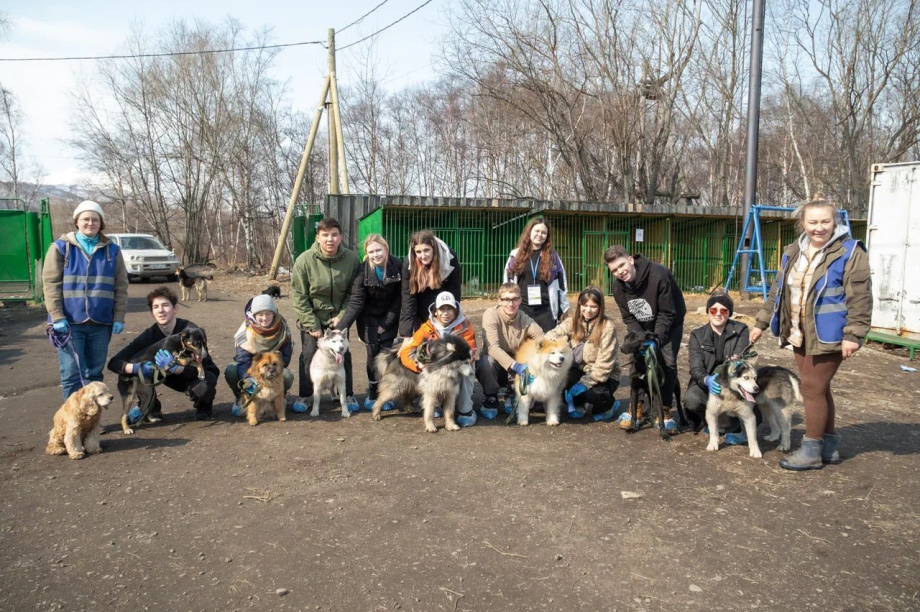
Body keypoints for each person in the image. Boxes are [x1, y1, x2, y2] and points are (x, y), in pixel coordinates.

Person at [751, 193, 872, 470]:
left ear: (835, 221)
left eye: (825, 221)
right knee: (820, 388)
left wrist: (853, 335)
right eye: (813, 222)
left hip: (830, 335)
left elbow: (860, 297)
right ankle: (828, 447)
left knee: (811, 389)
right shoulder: (793, 251)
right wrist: (760, 323)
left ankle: (812, 449)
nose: (819, 228)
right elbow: (777, 292)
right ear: (803, 223)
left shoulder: (850, 252)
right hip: (798, 333)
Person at [42, 200, 129, 400]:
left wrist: (119, 317)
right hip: (69, 323)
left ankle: (93, 420)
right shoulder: (61, 248)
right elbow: (50, 284)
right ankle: (74, 422)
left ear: (101, 223)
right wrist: (56, 316)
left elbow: (121, 287)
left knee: (94, 373)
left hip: (101, 323)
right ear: (77, 222)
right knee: (72, 374)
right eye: (85, 219)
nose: (90, 223)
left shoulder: (112, 251)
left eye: (95, 219)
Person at [604, 245, 686, 432]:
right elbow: (629, 318)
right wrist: (641, 339)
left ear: (631, 259)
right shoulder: (618, 288)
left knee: (668, 363)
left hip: (670, 324)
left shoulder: (658, 275)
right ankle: (637, 407)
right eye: (614, 270)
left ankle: (664, 410)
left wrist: (655, 340)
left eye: (621, 265)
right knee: (638, 362)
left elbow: (667, 313)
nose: (619, 272)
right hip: (642, 327)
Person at [107, 286, 218, 421]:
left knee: (205, 385)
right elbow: (114, 362)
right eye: (156, 307)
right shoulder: (149, 336)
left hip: (192, 375)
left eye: (165, 305)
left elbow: (206, 366)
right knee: (129, 371)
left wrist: (178, 368)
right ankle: (150, 407)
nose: (160, 310)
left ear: (175, 308)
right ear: (152, 312)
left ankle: (204, 407)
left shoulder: (192, 332)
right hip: (164, 374)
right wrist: (136, 368)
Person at [291, 217, 362, 414]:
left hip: (339, 317)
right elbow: (299, 296)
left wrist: (342, 317)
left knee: (342, 352)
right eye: (325, 235)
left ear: (340, 237)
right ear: (318, 237)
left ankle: (345, 394)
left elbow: (353, 293)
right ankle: (306, 395)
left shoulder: (351, 259)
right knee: (308, 354)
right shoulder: (304, 261)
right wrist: (312, 324)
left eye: (334, 235)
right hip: (313, 316)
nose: (329, 239)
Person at [337, 234, 403, 411]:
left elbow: (399, 300)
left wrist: (386, 324)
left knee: (387, 356)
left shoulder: (398, 266)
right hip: (368, 319)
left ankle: (386, 392)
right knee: (372, 356)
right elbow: (356, 302)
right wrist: (341, 327)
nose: (375, 255)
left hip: (389, 316)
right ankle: (373, 392)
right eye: (371, 251)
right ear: (367, 253)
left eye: (378, 250)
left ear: (386, 249)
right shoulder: (362, 271)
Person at [398, 291, 478, 427]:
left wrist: (459, 363)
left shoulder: (465, 327)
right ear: (435, 312)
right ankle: (433, 407)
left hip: (456, 368)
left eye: (449, 309)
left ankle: (465, 410)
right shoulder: (426, 328)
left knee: (467, 371)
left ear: (456, 310)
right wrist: (418, 364)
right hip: (432, 372)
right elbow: (406, 352)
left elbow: (471, 352)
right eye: (442, 309)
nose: (445, 313)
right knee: (426, 375)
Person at [545, 286, 621, 420]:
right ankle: (579, 405)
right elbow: (552, 334)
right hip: (579, 369)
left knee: (593, 394)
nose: (588, 310)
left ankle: (609, 406)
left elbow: (604, 364)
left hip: (603, 375)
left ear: (600, 307)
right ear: (579, 305)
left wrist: (585, 383)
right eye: (585, 305)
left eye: (593, 306)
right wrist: (551, 344)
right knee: (562, 384)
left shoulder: (607, 327)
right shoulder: (572, 321)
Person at [685, 292, 752, 443]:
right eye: (713, 310)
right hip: (708, 384)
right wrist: (706, 379)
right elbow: (695, 367)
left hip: (731, 384)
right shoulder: (697, 335)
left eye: (724, 310)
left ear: (729, 313)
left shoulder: (741, 331)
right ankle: (709, 420)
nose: (718, 314)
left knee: (752, 389)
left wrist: (725, 377)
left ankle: (731, 423)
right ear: (708, 311)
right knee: (691, 398)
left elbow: (739, 362)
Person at [476, 283, 545, 420]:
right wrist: (517, 366)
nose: (510, 303)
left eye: (514, 299)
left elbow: (542, 339)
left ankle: (513, 392)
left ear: (520, 300)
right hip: (497, 365)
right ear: (499, 301)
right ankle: (491, 397)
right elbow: (492, 347)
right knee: (486, 361)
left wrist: (536, 362)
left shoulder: (525, 320)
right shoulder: (491, 315)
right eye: (506, 299)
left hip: (515, 367)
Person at [225, 294, 294, 416]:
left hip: (272, 370)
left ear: (274, 313)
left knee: (287, 375)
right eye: (260, 314)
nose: (264, 318)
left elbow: (285, 358)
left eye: (268, 313)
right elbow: (242, 359)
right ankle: (242, 397)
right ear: (254, 315)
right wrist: (250, 379)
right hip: (252, 371)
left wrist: (271, 370)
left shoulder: (283, 331)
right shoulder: (245, 331)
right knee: (231, 370)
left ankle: (278, 397)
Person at [504, 218, 569, 331]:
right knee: (523, 347)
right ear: (529, 232)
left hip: (546, 312)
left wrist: (564, 307)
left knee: (545, 346)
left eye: (544, 232)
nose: (540, 235)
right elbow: (507, 283)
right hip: (522, 309)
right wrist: (507, 304)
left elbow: (562, 284)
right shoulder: (515, 255)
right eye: (537, 231)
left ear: (547, 236)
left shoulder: (553, 257)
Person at [399, 230, 461, 341]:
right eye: (418, 252)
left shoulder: (449, 258)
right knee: (423, 340)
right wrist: (406, 335)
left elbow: (454, 290)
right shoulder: (408, 263)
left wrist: (452, 315)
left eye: (426, 250)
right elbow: (408, 298)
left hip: (443, 295)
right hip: (420, 297)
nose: (423, 256)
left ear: (433, 247)